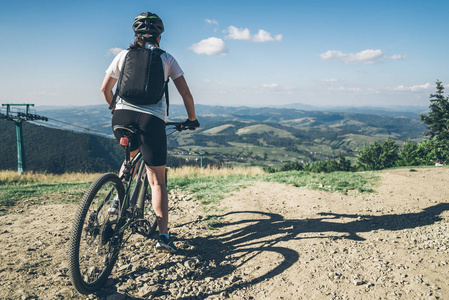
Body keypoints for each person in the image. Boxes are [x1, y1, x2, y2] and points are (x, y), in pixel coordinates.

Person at [101, 12, 199, 253]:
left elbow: (104, 89)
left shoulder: (123, 56)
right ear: (159, 36)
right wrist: (192, 119)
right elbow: (186, 94)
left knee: (130, 157)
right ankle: (164, 236)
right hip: (151, 121)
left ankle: (116, 200)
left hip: (121, 117)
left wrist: (115, 107)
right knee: (157, 180)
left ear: (135, 35)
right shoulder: (167, 59)